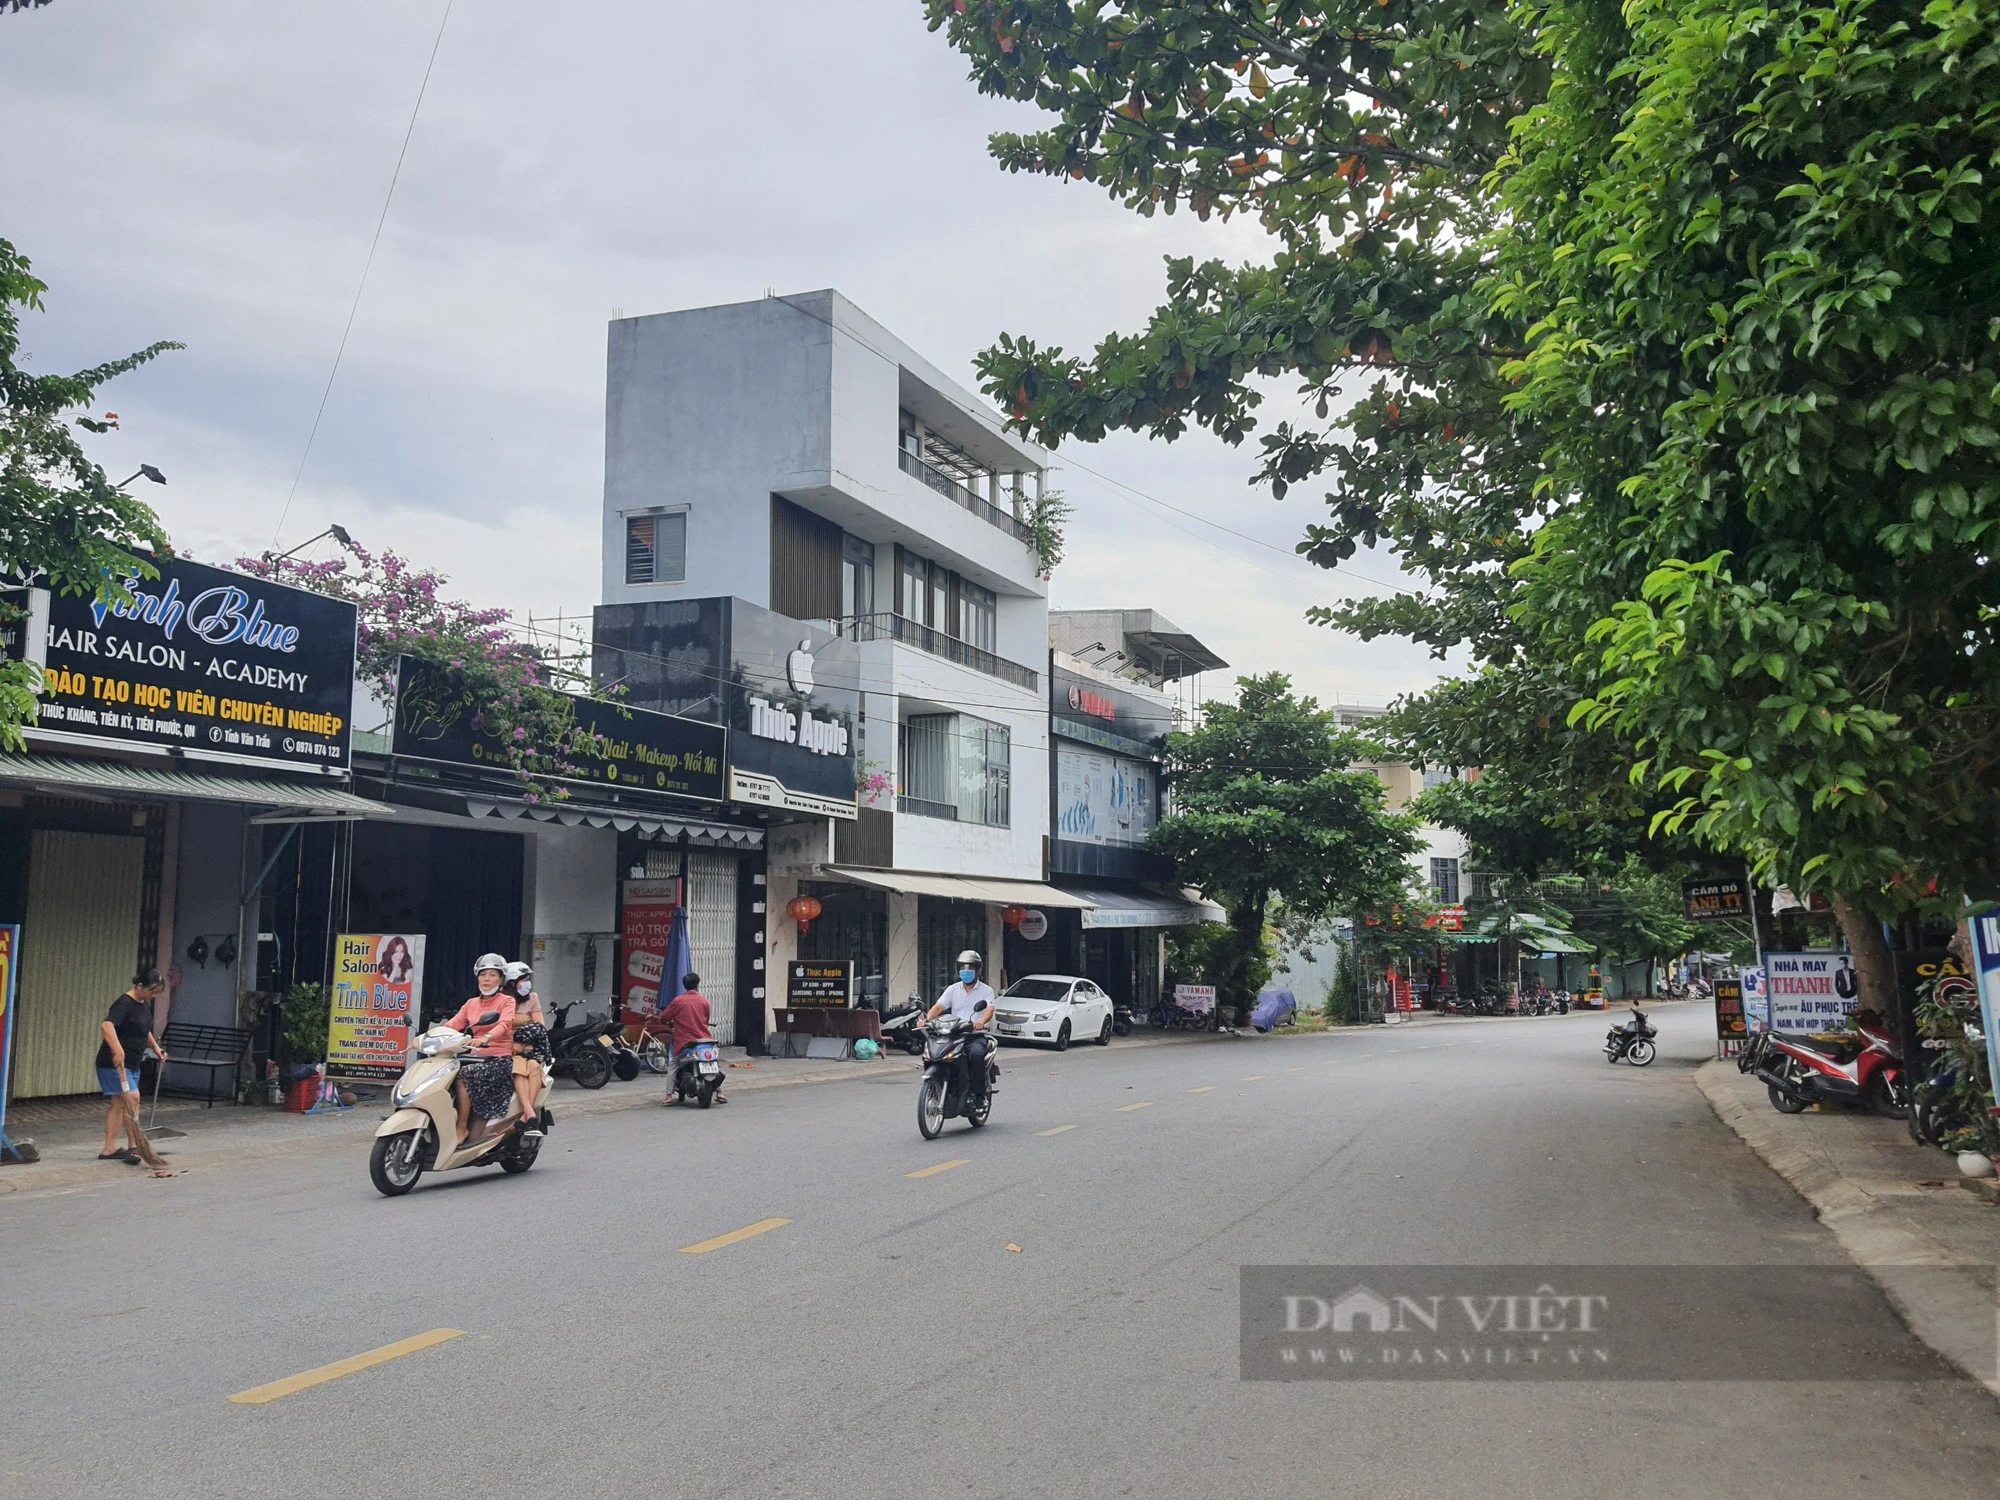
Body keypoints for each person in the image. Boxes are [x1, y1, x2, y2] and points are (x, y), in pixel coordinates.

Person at [444, 954, 517, 1144]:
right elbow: (453, 1024)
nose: (487, 979)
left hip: (499, 1059)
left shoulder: (506, 1001)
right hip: (473, 1056)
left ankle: (461, 1128)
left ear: (501, 979)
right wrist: (423, 1038)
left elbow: (505, 1023)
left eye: (492, 975)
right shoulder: (471, 1004)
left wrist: (487, 1037)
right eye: (483, 975)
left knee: (464, 1075)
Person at [97, 969, 168, 1164]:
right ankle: (134, 1146)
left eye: (156, 993)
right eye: (151, 992)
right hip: (114, 1063)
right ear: (139, 986)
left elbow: (143, 1030)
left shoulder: (143, 1005)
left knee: (121, 1104)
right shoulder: (124, 1003)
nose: (152, 996)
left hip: (133, 1063)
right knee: (132, 1097)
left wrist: (155, 1047)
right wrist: (117, 1049)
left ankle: (113, 1148)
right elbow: (107, 1026)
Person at [926, 949, 996, 1101]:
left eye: (970, 968)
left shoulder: (986, 990)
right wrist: (927, 1020)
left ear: (977, 970)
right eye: (963, 968)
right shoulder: (952, 989)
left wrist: (981, 1022)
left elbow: (989, 1009)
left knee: (976, 1055)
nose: (966, 971)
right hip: (953, 1034)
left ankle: (979, 1095)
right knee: (935, 1054)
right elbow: (939, 1007)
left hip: (974, 1036)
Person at [660, 972, 724, 1105]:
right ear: (697, 985)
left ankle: (668, 1095)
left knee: (674, 1064)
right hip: (704, 1039)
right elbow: (705, 1020)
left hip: (684, 1041)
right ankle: (719, 1091)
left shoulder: (678, 1001)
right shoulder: (704, 1001)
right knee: (712, 1062)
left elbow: (664, 1017)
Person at [503, 959, 549, 1138]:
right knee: (519, 1069)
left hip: (531, 1049)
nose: (527, 984)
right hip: (508, 1050)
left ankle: (526, 1115)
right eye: (523, 980)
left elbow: (540, 1026)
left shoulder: (532, 998)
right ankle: (530, 1114)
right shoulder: (502, 1000)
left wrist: (522, 1040)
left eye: (528, 979)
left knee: (535, 1067)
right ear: (512, 983)